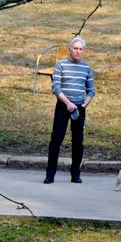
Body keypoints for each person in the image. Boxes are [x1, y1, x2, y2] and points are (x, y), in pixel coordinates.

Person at [44, 36, 96, 184]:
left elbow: (91, 90)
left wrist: (84, 105)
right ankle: (50, 174)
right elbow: (56, 87)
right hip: (63, 106)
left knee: (78, 142)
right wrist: (67, 103)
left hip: (79, 108)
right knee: (56, 140)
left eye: (81, 49)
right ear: (70, 50)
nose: (78, 51)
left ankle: (75, 174)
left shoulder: (86, 67)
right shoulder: (61, 65)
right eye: (75, 48)